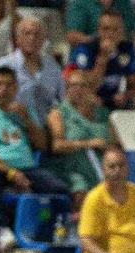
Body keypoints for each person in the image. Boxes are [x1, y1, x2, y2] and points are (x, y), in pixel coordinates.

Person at [0, 66, 68, 253]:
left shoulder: (23, 111)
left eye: (8, 85)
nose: (3, 89)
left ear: (15, 88)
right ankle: (3, 230)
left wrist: (27, 120)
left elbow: (42, 145)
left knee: (58, 187)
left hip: (26, 167)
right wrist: (12, 174)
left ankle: (55, 231)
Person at [45, 68, 111, 203]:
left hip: (100, 168)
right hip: (72, 169)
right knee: (81, 191)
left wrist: (107, 147)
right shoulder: (58, 113)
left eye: (83, 86)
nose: (78, 90)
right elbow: (57, 146)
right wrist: (88, 144)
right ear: (66, 89)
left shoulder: (103, 114)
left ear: (90, 89)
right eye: (73, 85)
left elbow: (116, 145)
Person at [0, 16, 65, 122]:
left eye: (37, 34)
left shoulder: (53, 68)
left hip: (47, 128)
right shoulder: (3, 65)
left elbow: (63, 102)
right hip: (11, 124)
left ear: (43, 40)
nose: (32, 38)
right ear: (18, 39)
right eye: (27, 34)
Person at [66, 9, 135, 111]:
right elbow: (88, 86)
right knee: (89, 101)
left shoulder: (127, 50)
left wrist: (125, 96)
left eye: (115, 30)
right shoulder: (86, 49)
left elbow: (133, 86)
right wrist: (103, 57)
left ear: (122, 32)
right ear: (98, 30)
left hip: (113, 100)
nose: (110, 34)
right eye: (106, 29)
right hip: (88, 99)